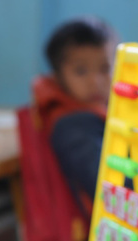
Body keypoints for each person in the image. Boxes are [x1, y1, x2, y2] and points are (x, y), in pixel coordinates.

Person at [32, 17, 114, 201]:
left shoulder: (103, 108)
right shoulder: (73, 126)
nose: (96, 82)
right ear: (59, 77)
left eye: (105, 68)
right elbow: (105, 190)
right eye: (81, 71)